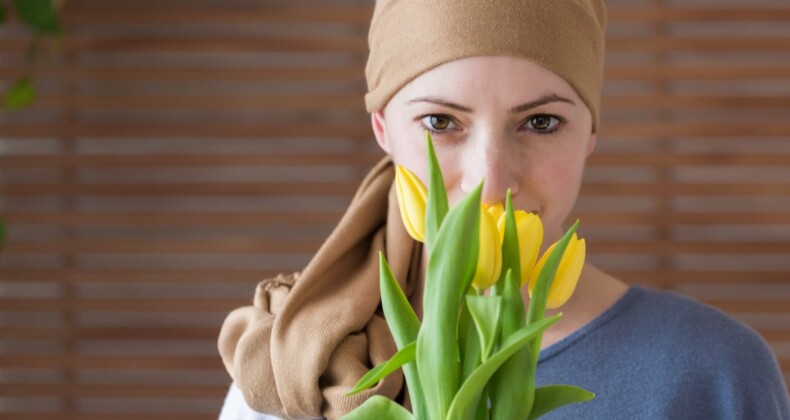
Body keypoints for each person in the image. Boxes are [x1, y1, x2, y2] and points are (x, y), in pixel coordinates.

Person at [217, 0, 790, 418]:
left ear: (591, 132)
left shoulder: (715, 374)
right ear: (382, 129)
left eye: (541, 123)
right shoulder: (292, 368)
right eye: (441, 122)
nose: (490, 183)